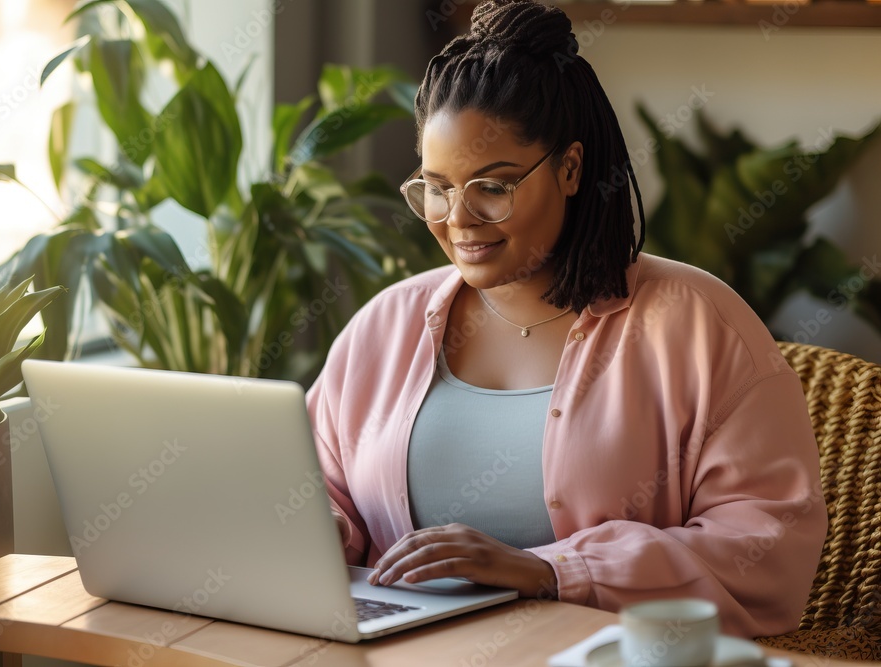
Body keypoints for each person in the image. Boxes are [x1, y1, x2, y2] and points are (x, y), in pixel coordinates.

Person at [305, 0, 827, 639]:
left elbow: (767, 546)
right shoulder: (384, 327)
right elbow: (321, 487)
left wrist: (551, 571)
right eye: (436, 187)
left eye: (492, 187)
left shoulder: (698, 324)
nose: (458, 218)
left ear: (570, 168)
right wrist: (317, 527)